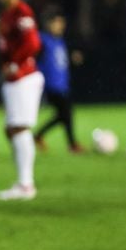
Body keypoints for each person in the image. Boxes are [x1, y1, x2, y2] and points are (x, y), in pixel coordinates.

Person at [0, 0, 43, 201]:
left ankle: (26, 185)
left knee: (20, 128)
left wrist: (15, 64)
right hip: (14, 79)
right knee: (11, 129)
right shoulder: (6, 15)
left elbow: (33, 42)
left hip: (24, 77)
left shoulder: (22, 11)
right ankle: (23, 181)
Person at [35, 13, 84, 153]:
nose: (60, 26)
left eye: (61, 23)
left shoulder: (60, 41)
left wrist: (73, 57)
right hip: (51, 85)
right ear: (49, 24)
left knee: (63, 115)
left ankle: (38, 135)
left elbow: (59, 61)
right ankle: (72, 144)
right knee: (66, 114)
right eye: (56, 22)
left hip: (63, 84)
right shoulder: (43, 40)